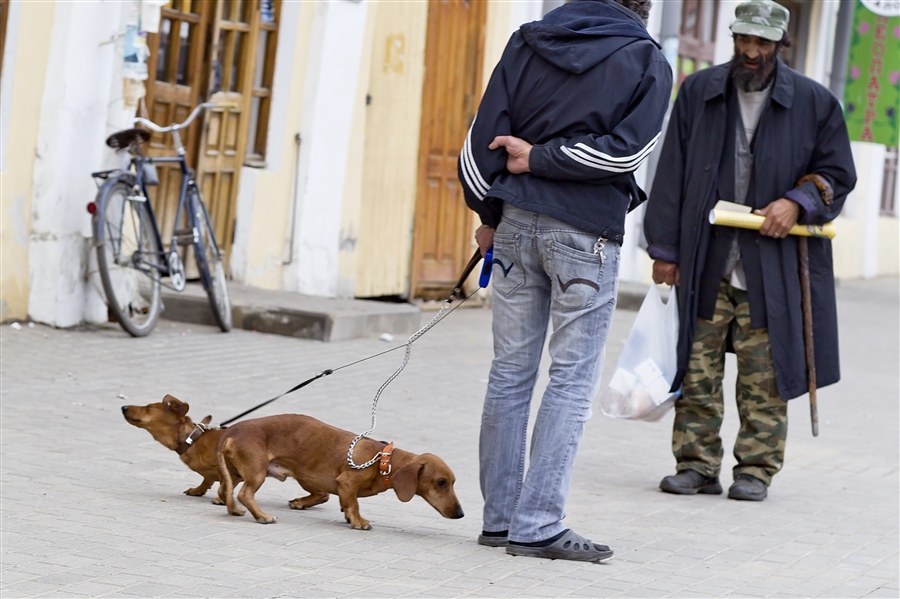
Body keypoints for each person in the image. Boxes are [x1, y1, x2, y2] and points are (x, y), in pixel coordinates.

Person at [457, 0, 672, 562]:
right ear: (643, 7)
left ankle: (501, 521)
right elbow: (632, 152)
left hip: (514, 227)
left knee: (509, 374)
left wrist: (488, 216)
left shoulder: (527, 40)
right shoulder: (646, 58)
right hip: (584, 234)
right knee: (572, 380)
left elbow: (478, 147)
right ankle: (538, 524)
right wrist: (546, 160)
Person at [644, 0, 856, 502]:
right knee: (697, 367)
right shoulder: (699, 91)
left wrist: (797, 201)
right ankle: (695, 464)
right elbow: (670, 171)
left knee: (765, 375)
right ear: (734, 38)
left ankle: (756, 470)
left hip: (772, 265)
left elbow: (838, 176)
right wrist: (665, 249)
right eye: (744, 40)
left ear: (782, 45)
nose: (751, 51)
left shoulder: (814, 103)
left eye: (763, 43)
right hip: (706, 257)